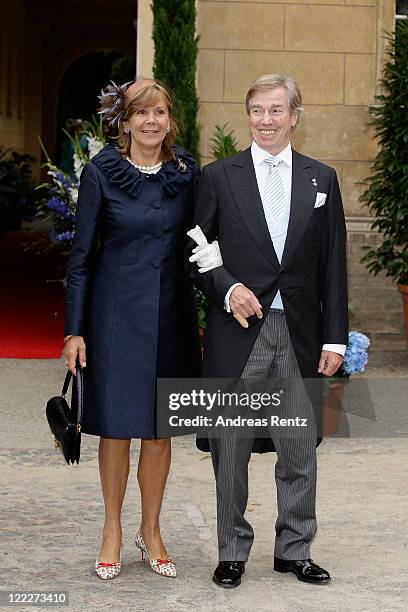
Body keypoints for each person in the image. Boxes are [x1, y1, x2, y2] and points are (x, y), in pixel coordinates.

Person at [188, 74, 348, 588]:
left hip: (300, 332)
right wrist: (227, 287)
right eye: (257, 110)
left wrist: (335, 337)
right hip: (240, 329)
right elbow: (196, 249)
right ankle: (232, 550)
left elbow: (333, 266)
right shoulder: (219, 177)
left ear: (294, 115)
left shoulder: (321, 179)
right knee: (229, 448)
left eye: (276, 110)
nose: (266, 120)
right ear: (248, 115)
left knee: (299, 447)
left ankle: (294, 550)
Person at [64, 78, 201, 580]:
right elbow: (80, 259)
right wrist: (74, 330)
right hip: (114, 316)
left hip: (170, 314)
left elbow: (203, 244)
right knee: (119, 427)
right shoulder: (102, 173)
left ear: (170, 120)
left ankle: (153, 530)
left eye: (159, 112)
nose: (150, 122)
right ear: (123, 121)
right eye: (140, 113)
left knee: (160, 431)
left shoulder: (187, 172)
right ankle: (112, 530)